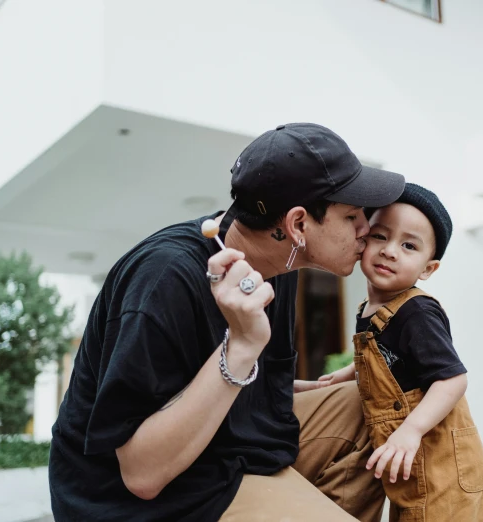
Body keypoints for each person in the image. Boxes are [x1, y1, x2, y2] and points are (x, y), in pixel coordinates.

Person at [47, 122, 406, 522]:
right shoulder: (165, 278)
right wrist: (241, 347)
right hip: (139, 501)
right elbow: (140, 474)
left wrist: (298, 384)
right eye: (353, 215)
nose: (366, 230)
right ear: (298, 225)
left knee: (380, 403)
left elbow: (222, 386)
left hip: (228, 447)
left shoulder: (279, 266)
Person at [318, 183, 483, 521]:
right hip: (409, 465)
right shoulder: (367, 309)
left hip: (444, 466)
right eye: (380, 236)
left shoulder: (417, 312)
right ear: (362, 240)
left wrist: (411, 430)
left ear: (428, 268)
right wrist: (344, 375)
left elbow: (452, 380)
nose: (390, 251)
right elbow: (387, 362)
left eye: (409, 245)